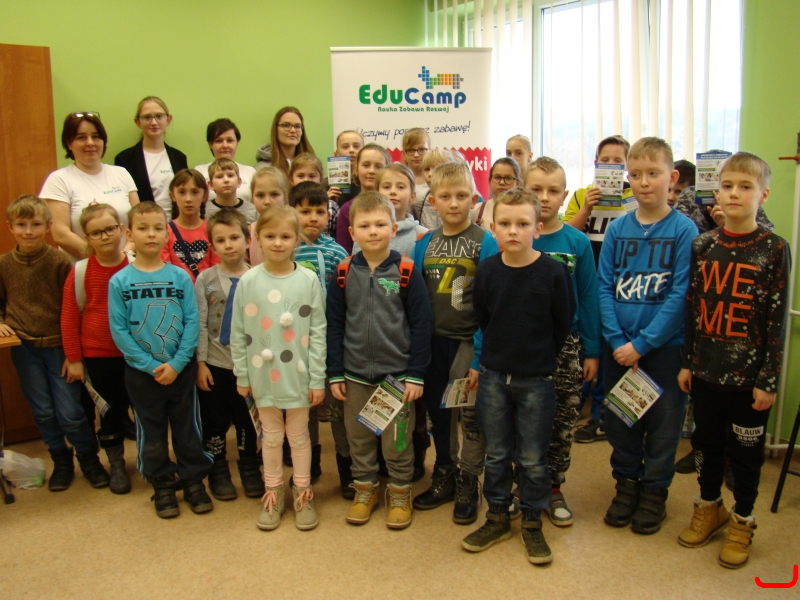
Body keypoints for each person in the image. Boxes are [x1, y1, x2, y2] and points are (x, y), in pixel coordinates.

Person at [677, 152, 790, 569]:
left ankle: (743, 518)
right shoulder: (704, 245)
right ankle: (710, 507)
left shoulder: (774, 249)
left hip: (748, 380)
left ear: (763, 194)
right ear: (717, 191)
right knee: (705, 445)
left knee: (745, 456)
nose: (734, 194)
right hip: (706, 371)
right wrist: (687, 361)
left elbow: (776, 320)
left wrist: (768, 379)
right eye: (727, 186)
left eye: (745, 186)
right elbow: (693, 307)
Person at [461, 187, 574, 565]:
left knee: (532, 457)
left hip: (536, 380)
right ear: (493, 228)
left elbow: (562, 322)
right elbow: (484, 316)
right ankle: (496, 517)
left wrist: (539, 358)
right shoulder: (488, 270)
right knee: (496, 454)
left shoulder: (553, 272)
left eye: (523, 224)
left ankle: (531, 522)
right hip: (494, 377)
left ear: (537, 229)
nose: (513, 231)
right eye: (505, 224)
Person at [597, 137, 696, 535]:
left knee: (663, 425)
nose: (643, 182)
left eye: (653, 173)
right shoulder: (618, 229)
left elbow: (681, 294)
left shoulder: (684, 230)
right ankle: (627, 485)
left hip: (664, 350)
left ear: (671, 177)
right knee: (622, 422)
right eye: (635, 174)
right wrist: (618, 341)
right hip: (619, 349)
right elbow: (604, 288)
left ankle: (654, 491)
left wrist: (643, 344)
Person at [326, 192, 433, 528]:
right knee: (358, 438)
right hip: (354, 374)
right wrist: (335, 372)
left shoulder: (406, 270)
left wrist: (416, 374)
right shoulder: (343, 272)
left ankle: (399, 491)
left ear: (394, 228)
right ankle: (364, 489)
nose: (372, 231)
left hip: (396, 377)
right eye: (364, 226)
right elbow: (334, 325)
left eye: (380, 224)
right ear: (352, 232)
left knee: (397, 440)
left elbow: (422, 324)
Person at [108, 202, 213, 519]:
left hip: (180, 370)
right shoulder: (119, 281)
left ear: (167, 234)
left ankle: (193, 481)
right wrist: (150, 365)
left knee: (187, 429)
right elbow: (120, 331)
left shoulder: (180, 277)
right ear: (130, 233)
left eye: (157, 228)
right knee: (151, 433)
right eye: (143, 228)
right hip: (143, 374)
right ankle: (163, 484)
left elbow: (192, 322)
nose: (151, 234)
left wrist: (178, 363)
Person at [0, 195, 109, 492]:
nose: (28, 232)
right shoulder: (4, 264)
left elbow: (74, 308)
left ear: (48, 226)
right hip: (25, 349)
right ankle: (61, 461)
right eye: (21, 225)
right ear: (10, 227)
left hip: (60, 349)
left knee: (71, 412)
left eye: (36, 225)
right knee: (43, 412)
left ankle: (89, 460)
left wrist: (74, 354)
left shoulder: (60, 261)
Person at [412, 162, 499, 525]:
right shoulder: (424, 243)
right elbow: (417, 301)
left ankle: (468, 480)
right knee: (440, 414)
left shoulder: (486, 241)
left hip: (468, 343)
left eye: (461, 196)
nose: (453, 203)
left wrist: (479, 355)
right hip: (434, 343)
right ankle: (444, 473)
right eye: (445, 197)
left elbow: (493, 301)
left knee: (470, 417)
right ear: (432, 201)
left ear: (474, 199)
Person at [230, 205, 327, 532]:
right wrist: (242, 375)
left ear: (296, 239)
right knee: (271, 437)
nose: (277, 242)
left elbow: (318, 332)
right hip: (262, 377)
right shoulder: (248, 281)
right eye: (270, 236)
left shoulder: (308, 279)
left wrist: (317, 379)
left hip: (299, 376)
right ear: (257, 238)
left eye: (285, 236)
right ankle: (273, 492)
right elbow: (238, 331)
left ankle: (302, 491)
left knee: (298, 437)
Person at [524, 157, 600, 526]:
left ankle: (553, 485)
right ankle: (523, 484)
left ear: (565, 194)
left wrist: (592, 351)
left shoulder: (576, 242)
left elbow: (588, 297)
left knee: (562, 417)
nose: (544, 197)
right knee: (522, 417)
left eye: (553, 190)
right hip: (521, 345)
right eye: (536, 189)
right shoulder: (513, 236)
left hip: (566, 344)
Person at [566, 135, 636, 444]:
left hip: (620, 284)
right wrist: (588, 207)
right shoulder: (582, 195)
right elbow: (568, 233)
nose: (610, 165)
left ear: (626, 165)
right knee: (585, 347)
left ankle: (603, 417)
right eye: (604, 160)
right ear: (595, 163)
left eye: (617, 160)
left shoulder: (634, 196)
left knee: (609, 352)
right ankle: (577, 408)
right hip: (586, 277)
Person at [61, 203, 135, 494]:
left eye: (110, 229)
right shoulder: (80, 271)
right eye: (96, 233)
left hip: (136, 354)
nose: (104, 236)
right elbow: (69, 317)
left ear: (121, 229)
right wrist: (74, 359)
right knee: (109, 412)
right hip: (98, 355)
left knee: (143, 409)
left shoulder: (136, 265)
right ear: (87, 238)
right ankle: (116, 463)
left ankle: (151, 460)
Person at [195, 209, 261, 501]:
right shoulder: (205, 279)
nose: (229, 245)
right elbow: (199, 322)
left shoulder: (258, 278)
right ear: (212, 246)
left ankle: (249, 466)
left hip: (248, 366)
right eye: (221, 241)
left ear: (248, 240)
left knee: (246, 418)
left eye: (235, 238)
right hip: (215, 363)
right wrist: (200, 363)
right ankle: (217, 467)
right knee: (215, 419)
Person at [289, 181, 350, 493]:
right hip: (298, 343)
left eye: (319, 211)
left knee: (337, 407)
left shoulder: (337, 251)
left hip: (331, 341)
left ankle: (347, 466)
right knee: (305, 407)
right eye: (304, 211)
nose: (313, 217)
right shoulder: (287, 250)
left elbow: (346, 295)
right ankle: (309, 463)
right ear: (292, 213)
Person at [41, 112, 139, 259]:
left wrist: (125, 256)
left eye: (96, 136)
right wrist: (102, 261)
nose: (90, 143)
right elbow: (61, 233)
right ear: (69, 143)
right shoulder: (58, 180)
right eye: (81, 137)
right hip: (84, 267)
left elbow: (138, 222)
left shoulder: (121, 173)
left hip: (127, 264)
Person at [115, 97, 188, 217]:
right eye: (147, 117)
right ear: (138, 122)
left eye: (159, 116)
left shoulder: (179, 157)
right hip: (145, 224)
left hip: (176, 224)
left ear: (168, 119)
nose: (154, 122)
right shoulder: (125, 159)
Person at [354, 163, 427, 256]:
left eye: (400, 187)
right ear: (377, 193)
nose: (393, 192)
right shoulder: (364, 233)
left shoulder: (422, 236)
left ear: (412, 196)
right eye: (386, 187)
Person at [160, 169, 219, 281]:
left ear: (204, 196)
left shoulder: (212, 230)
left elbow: (217, 270)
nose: (188, 199)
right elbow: (165, 270)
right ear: (173, 196)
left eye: (195, 192)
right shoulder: (165, 231)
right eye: (182, 192)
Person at [336, 144, 391, 253]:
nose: (372, 171)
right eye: (366, 165)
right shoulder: (347, 210)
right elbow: (344, 252)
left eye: (378, 166)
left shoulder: (394, 205)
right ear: (356, 169)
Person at [195, 118, 257, 204]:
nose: (225, 145)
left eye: (229, 140)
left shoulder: (250, 172)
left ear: (237, 142)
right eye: (219, 141)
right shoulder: (200, 172)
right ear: (210, 144)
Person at [288, 153, 340, 238]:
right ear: (291, 179)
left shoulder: (332, 206)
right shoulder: (286, 206)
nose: (306, 180)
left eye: (312, 176)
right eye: (300, 176)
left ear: (321, 180)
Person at [255, 107, 315, 176]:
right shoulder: (263, 169)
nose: (293, 130)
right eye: (286, 125)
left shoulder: (311, 164)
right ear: (276, 130)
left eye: (297, 126)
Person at [249, 166, 289, 266]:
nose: (267, 201)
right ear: (252, 198)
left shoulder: (294, 229)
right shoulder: (249, 232)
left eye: (274, 194)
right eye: (260, 195)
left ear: (285, 196)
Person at [472, 157, 522, 232]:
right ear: (490, 181)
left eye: (508, 178)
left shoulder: (524, 211)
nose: (502, 182)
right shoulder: (477, 211)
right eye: (497, 177)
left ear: (517, 183)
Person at [205, 158, 258, 224]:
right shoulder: (203, 211)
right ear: (211, 185)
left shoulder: (253, 210)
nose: (226, 180)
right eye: (219, 177)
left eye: (230, 175)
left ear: (239, 182)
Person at [413, 148, 453, 228]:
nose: (430, 174)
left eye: (436, 168)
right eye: (427, 169)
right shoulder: (420, 202)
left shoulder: (457, 199)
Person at [329, 130, 364, 207]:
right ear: (337, 153)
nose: (351, 150)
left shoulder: (369, 179)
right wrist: (325, 201)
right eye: (345, 147)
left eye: (356, 146)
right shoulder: (327, 184)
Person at [401, 128, 431, 196]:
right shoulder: (397, 178)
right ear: (404, 154)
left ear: (429, 151)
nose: (416, 155)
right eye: (410, 150)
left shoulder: (438, 179)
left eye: (422, 149)